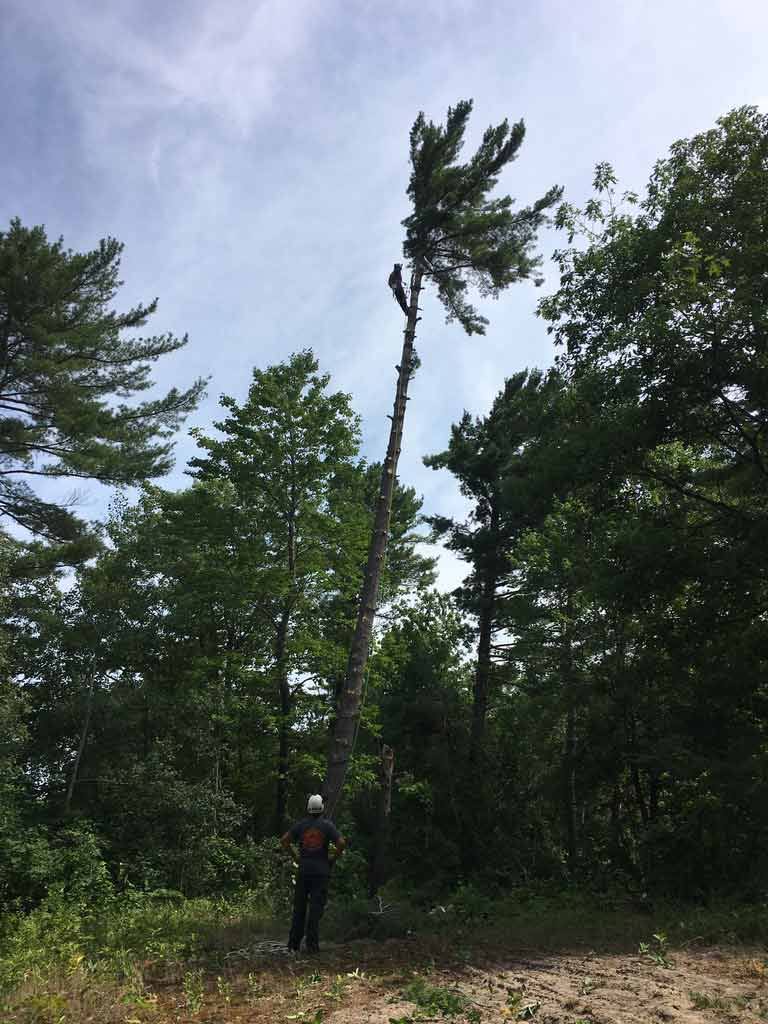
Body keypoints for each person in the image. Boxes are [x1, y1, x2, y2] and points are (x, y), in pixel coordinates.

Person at [281, 794, 346, 954]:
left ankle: (293, 945)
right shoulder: (327, 826)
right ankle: (312, 946)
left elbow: (284, 840)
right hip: (321, 873)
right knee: (315, 910)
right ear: (322, 809)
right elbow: (342, 843)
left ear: (308, 808)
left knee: (299, 909)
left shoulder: (301, 825)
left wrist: (295, 856)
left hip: (303, 872)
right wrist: (332, 859)